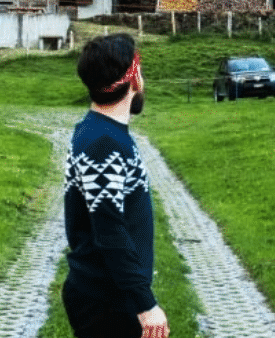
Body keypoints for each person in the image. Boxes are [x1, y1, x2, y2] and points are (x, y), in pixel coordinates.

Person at [62, 33, 170, 338]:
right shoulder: (103, 142)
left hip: (108, 295)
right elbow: (109, 230)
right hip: (107, 302)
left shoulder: (99, 132)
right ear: (133, 77)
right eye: (140, 69)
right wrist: (145, 305)